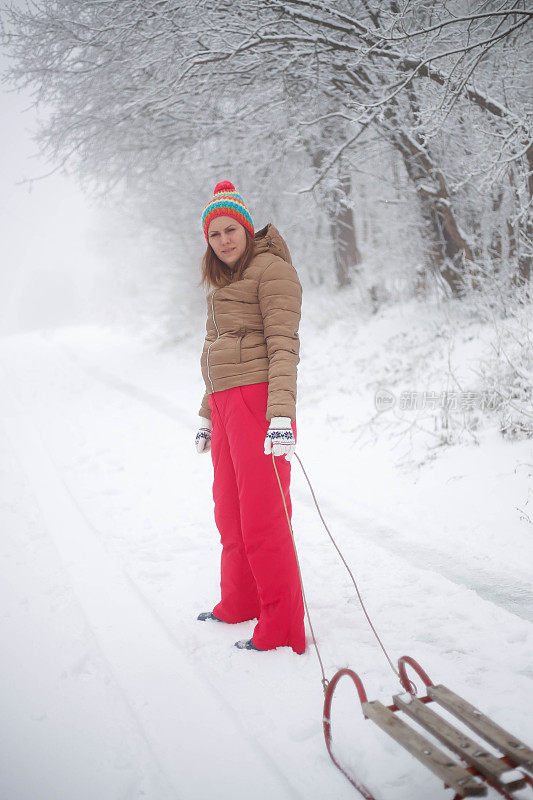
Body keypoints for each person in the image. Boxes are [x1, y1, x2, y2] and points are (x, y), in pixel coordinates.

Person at [194, 180, 305, 654]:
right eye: (214, 234)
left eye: (230, 229)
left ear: (245, 226)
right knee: (230, 512)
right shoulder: (223, 283)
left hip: (258, 402)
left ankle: (281, 626)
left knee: (264, 516)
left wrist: (281, 414)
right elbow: (213, 352)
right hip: (224, 406)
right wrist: (206, 413)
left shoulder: (270, 271)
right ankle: (240, 602)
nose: (223, 240)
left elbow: (284, 347)